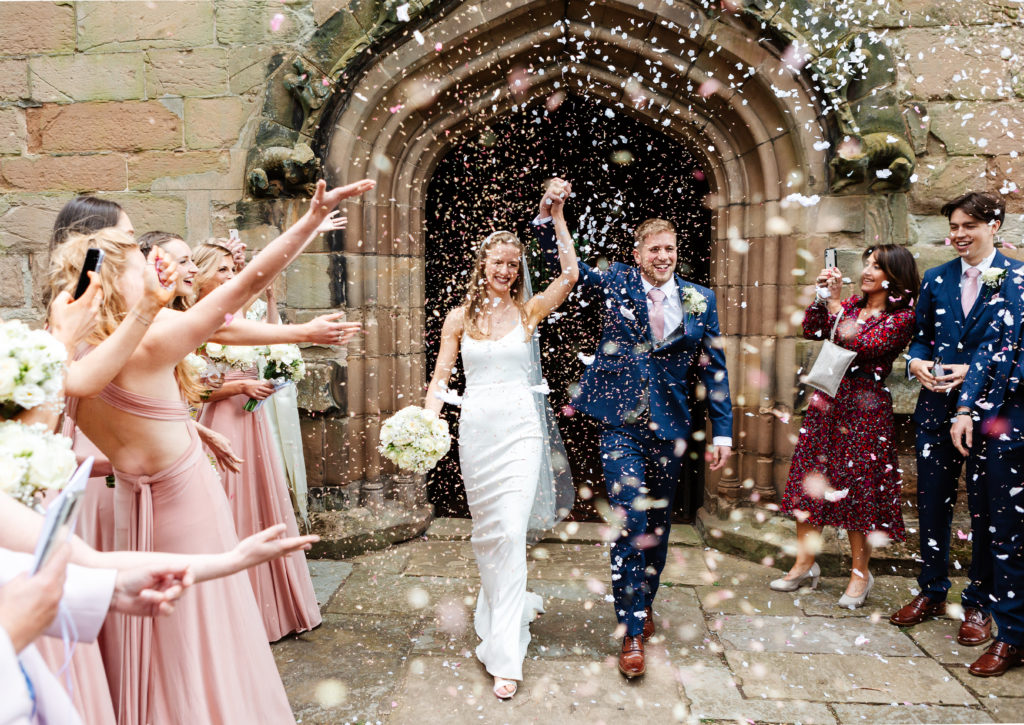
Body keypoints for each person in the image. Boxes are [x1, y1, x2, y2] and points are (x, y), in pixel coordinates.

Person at [49, 178, 373, 725]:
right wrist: (309, 219)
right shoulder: (154, 340)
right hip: (185, 502)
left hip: (133, 502)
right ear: (113, 270)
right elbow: (246, 286)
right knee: (206, 622)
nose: (150, 258)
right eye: (134, 250)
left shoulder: (69, 350)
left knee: (158, 630)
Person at [532, 181, 733, 680]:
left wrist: (723, 432)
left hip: (672, 428)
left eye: (670, 249)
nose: (663, 256)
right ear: (637, 252)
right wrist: (550, 217)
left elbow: (715, 368)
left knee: (659, 531)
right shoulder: (617, 282)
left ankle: (642, 602)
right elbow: (566, 269)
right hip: (619, 426)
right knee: (632, 524)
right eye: (655, 249)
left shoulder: (699, 298)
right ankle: (632, 629)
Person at [425, 184, 578, 700]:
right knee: (489, 534)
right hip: (477, 433)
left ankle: (506, 651)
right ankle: (497, 608)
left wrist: (555, 216)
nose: (506, 270)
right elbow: (441, 381)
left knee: (511, 532)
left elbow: (571, 275)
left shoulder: (531, 312)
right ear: (482, 265)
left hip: (519, 431)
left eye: (513, 264)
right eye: (498, 262)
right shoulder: (458, 318)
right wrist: (424, 426)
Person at [890, 192, 1013, 645]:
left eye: (969, 227)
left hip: (992, 414)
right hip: (935, 410)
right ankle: (932, 590)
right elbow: (920, 338)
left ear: (994, 226)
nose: (960, 235)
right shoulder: (937, 278)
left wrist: (973, 373)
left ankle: (980, 602)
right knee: (932, 503)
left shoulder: (1015, 278)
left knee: (984, 508)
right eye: (955, 227)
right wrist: (915, 364)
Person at [192, 240, 324, 642]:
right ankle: (230, 616)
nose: (231, 278)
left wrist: (266, 377)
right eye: (223, 271)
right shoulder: (191, 320)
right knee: (226, 507)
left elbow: (267, 338)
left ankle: (275, 609)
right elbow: (186, 392)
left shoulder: (235, 316)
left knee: (263, 503)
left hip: (253, 425)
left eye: (234, 271)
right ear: (199, 275)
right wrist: (236, 387)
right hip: (218, 424)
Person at [774, 246, 919, 608]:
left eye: (876, 266)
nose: (867, 270)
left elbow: (865, 344)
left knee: (859, 493)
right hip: (827, 406)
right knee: (811, 483)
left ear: (894, 276)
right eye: (867, 263)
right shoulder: (852, 304)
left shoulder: (900, 318)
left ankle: (859, 575)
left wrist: (837, 308)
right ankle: (805, 563)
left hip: (865, 411)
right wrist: (822, 299)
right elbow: (812, 329)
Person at [951, 256, 1024, 677]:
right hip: (1002, 423)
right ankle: (1012, 635)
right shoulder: (1012, 284)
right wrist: (964, 407)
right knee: (1003, 531)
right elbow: (987, 349)